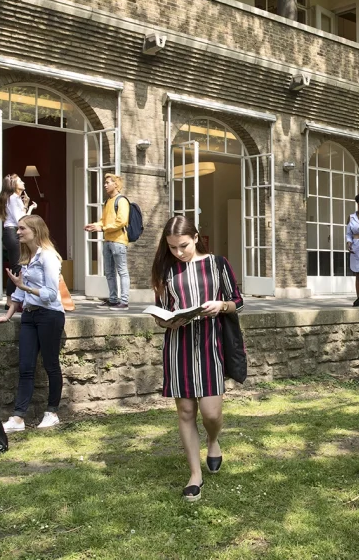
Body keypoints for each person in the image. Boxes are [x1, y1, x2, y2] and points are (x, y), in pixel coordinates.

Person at [150, 216, 243, 503]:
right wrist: (167, 322)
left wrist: (221, 305)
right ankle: (194, 475)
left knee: (212, 414)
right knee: (186, 413)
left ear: (196, 237)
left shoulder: (217, 264)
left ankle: (213, 441)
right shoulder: (166, 269)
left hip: (210, 345)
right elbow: (161, 312)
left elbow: (237, 300)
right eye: (172, 247)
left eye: (183, 246)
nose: (178, 252)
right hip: (179, 348)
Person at [0, 215, 66, 433]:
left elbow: (51, 295)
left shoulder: (49, 257)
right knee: (25, 367)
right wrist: (8, 315)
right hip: (29, 316)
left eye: (22, 229)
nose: (17, 232)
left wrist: (24, 287)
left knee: (51, 365)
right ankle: (18, 418)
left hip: (49, 315)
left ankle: (52, 412)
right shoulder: (27, 256)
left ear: (35, 230)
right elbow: (17, 293)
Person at [84, 173, 130, 310]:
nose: (105, 185)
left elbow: (121, 221)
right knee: (109, 272)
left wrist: (102, 227)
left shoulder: (121, 201)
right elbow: (104, 220)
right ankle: (113, 299)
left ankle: (124, 301)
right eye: (105, 183)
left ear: (116, 184)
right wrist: (94, 225)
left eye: (108, 182)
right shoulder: (108, 201)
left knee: (122, 271)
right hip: (108, 240)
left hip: (119, 241)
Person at [0, 173, 36, 302]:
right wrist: (31, 209)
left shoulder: (15, 198)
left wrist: (26, 206)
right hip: (13, 232)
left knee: (17, 267)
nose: (23, 182)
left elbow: (19, 216)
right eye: (20, 180)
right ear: (13, 185)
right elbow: (21, 219)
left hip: (13, 232)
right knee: (17, 268)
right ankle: (10, 301)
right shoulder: (13, 198)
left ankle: (12, 300)